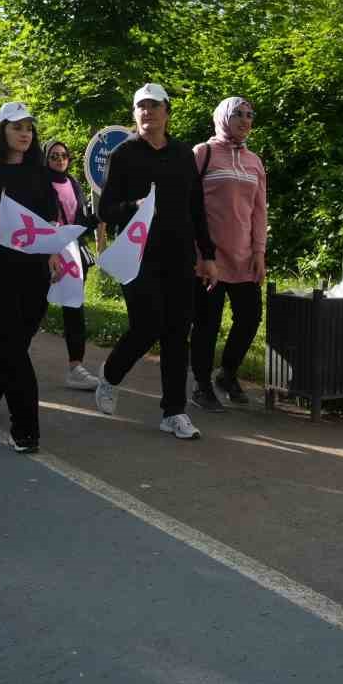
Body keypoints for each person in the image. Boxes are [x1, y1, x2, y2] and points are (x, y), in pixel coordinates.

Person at [93, 84, 219, 441]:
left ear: (167, 112)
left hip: (178, 255)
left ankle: (173, 411)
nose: (147, 112)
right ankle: (111, 375)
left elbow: (197, 208)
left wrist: (207, 255)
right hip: (138, 255)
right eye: (141, 107)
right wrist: (132, 208)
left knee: (178, 331)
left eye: (154, 106)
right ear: (135, 114)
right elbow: (105, 210)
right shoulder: (124, 154)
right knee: (147, 325)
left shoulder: (182, 155)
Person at [0, 103, 60, 453]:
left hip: (33, 271)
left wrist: (53, 252)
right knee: (15, 352)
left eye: (29, 129)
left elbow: (51, 221)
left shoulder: (40, 174)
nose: (25, 134)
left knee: (14, 347)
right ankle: (26, 429)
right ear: (2, 131)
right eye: (17, 127)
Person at [188, 97, 268, 412]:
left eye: (250, 115)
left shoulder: (255, 161)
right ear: (223, 117)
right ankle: (201, 385)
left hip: (244, 256)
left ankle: (228, 373)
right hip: (208, 257)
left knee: (249, 318)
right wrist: (197, 253)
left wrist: (259, 253)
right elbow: (189, 206)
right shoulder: (202, 153)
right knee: (206, 322)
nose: (245, 120)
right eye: (238, 114)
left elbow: (259, 212)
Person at [44, 140, 102, 391]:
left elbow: (79, 221)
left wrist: (99, 218)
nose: (60, 159)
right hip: (46, 254)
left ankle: (75, 367)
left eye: (64, 155)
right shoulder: (38, 183)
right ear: (45, 158)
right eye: (54, 155)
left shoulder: (73, 183)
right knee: (32, 309)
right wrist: (50, 251)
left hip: (73, 254)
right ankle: (9, 358)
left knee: (74, 309)